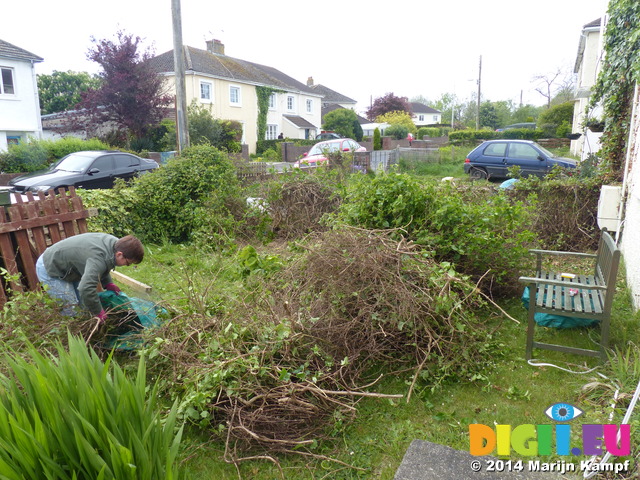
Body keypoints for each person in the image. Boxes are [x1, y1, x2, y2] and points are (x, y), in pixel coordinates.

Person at [35, 233, 144, 320]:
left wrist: (108, 283)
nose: (126, 265)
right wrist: (98, 312)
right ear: (119, 254)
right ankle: (73, 341)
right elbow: (85, 288)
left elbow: (106, 264)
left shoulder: (115, 244)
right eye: (128, 263)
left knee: (84, 307)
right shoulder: (98, 259)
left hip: (71, 266)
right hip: (51, 267)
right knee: (71, 310)